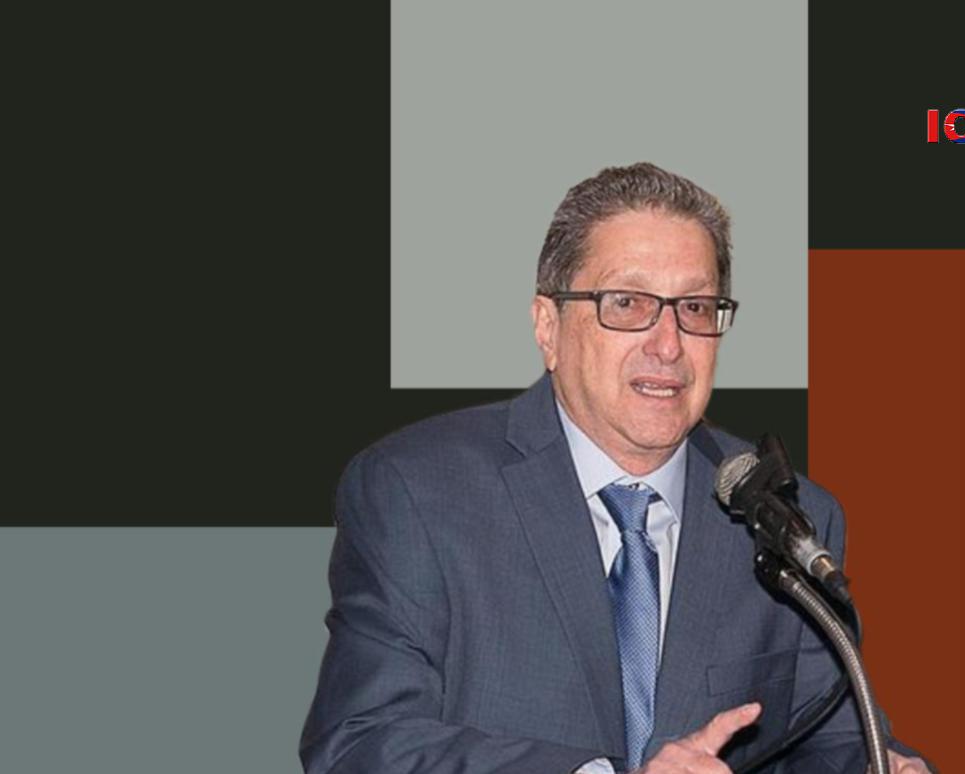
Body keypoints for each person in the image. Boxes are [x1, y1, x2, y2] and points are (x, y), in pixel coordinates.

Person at [300, 163, 931, 773]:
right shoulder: (416, 491)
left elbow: (828, 742)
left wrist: (882, 767)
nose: (668, 344)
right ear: (548, 327)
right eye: (627, 303)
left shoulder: (785, 517)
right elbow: (360, 743)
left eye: (695, 308)